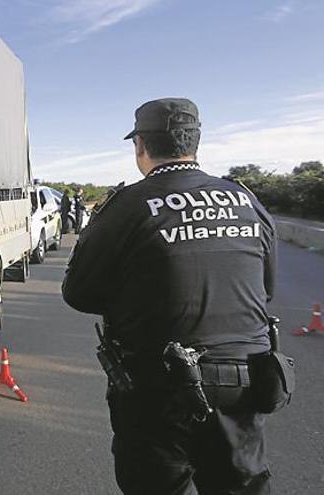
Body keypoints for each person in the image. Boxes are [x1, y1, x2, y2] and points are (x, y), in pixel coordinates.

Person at [62, 98, 277, 494]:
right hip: (244, 382)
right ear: (195, 141)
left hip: (157, 388)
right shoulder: (247, 200)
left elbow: (78, 293)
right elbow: (267, 288)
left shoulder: (126, 205)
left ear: (140, 145)